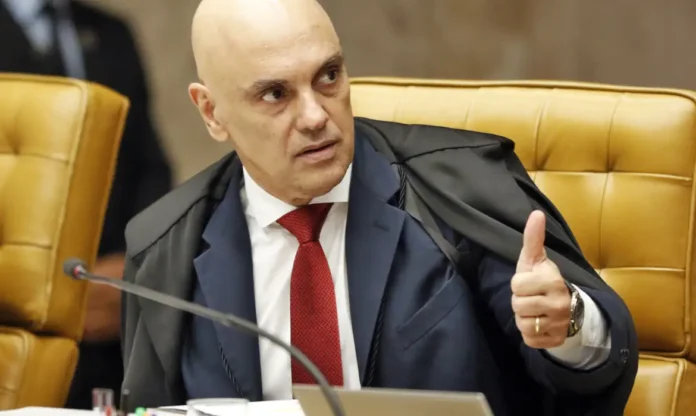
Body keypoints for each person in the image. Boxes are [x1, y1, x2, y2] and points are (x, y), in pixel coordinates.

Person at [120, 0, 638, 414]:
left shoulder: (458, 188)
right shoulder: (166, 246)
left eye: (328, 76)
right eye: (276, 94)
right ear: (212, 112)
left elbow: (590, 365)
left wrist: (568, 324)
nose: (315, 116)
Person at [0, 0, 172, 409]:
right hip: (14, 318)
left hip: (110, 316)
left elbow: (148, 166)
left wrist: (136, 265)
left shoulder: (110, 32)